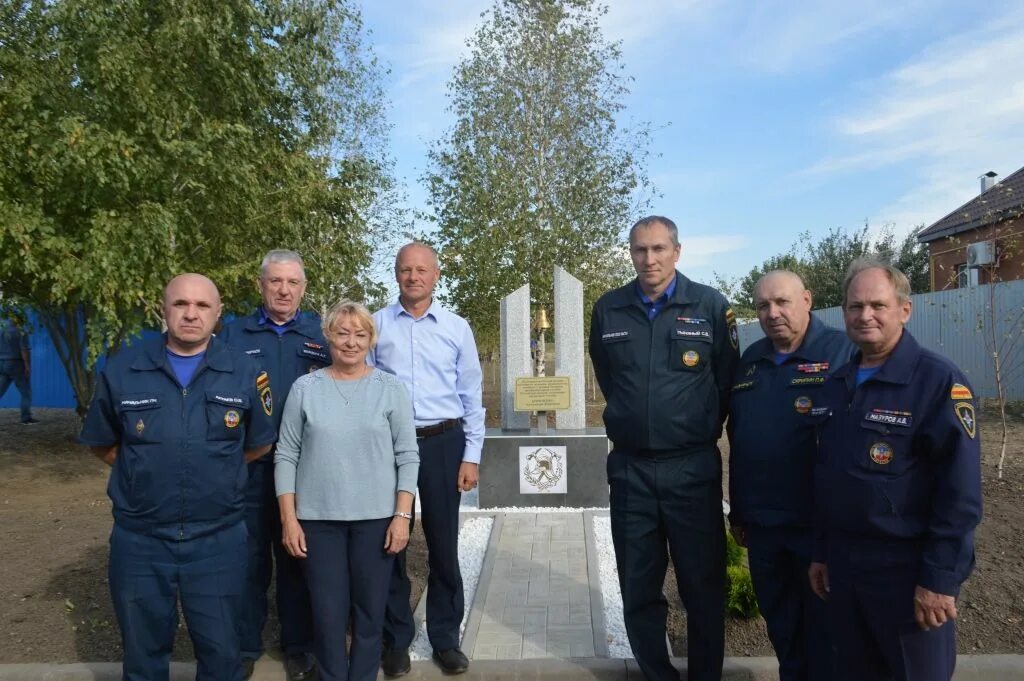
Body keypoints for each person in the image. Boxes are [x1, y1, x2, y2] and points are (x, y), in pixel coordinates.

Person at [80, 274, 277, 681]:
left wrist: (215, 472)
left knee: (223, 655)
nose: (191, 314)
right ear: (163, 309)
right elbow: (102, 442)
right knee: (142, 656)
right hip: (141, 540)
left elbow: (258, 444)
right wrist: (144, 472)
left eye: (203, 306)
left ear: (218, 313)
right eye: (180, 304)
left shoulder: (245, 372)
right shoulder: (124, 369)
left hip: (218, 539)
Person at [809, 259, 983, 681]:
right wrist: (821, 553)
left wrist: (939, 580)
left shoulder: (938, 383)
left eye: (877, 305)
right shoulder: (839, 383)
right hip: (846, 570)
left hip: (906, 576)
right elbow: (828, 477)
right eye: (854, 306)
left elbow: (959, 494)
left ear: (904, 310)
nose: (865, 315)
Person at [589, 216, 739, 681]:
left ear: (677, 251)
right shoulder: (609, 309)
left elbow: (727, 382)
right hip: (631, 470)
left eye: (658, 249)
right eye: (639, 250)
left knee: (702, 587)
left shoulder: (710, 305)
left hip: (691, 469)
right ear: (630, 253)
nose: (648, 259)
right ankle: (657, 674)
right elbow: (609, 377)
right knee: (638, 587)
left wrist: (689, 430)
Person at [275, 299, 419, 681]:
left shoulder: (390, 389)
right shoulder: (305, 388)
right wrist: (289, 519)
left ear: (371, 339)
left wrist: (402, 517)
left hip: (376, 522)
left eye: (360, 334)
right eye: (342, 333)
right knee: (327, 615)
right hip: (318, 523)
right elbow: (286, 454)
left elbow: (408, 456)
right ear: (328, 337)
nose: (351, 342)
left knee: (371, 615)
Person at [727, 270, 854, 681]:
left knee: (828, 635)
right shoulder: (752, 360)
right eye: (763, 305)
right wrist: (739, 512)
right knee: (782, 627)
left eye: (782, 302)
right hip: (765, 527)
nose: (773, 313)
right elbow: (741, 440)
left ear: (807, 300)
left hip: (819, 529)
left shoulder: (843, 353)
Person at [370, 242, 485, 676]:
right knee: (389, 542)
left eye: (422, 270)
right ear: (395, 274)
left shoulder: (456, 328)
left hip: (443, 443)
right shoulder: (376, 325)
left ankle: (444, 637)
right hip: (389, 444)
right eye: (405, 270)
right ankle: (395, 639)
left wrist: (471, 455)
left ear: (436, 275)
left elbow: (472, 397)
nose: (413, 277)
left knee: (442, 542)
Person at [218, 250, 324, 681]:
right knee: (249, 559)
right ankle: (245, 645)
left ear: (303, 288)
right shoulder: (231, 335)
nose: (284, 290)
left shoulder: (320, 333)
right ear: (260, 285)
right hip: (251, 467)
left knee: (299, 558)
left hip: (306, 470)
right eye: (275, 281)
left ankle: (299, 645)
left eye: (292, 283)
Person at [0, 314, 38, 425]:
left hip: (1, 364)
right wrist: (27, 366)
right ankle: (25, 418)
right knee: (26, 393)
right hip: (16, 364)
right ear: (20, 321)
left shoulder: (1, 330)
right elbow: (24, 350)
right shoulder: (21, 332)